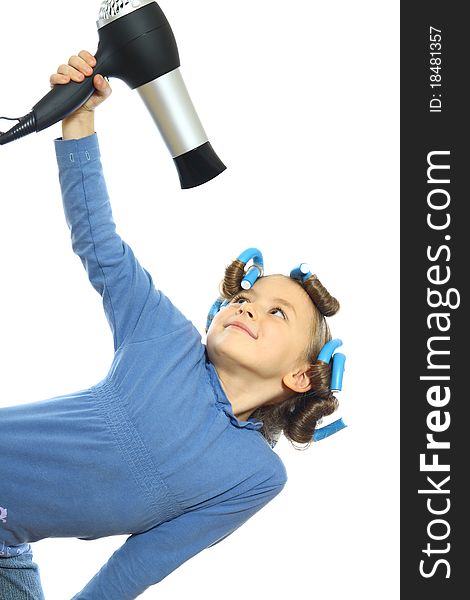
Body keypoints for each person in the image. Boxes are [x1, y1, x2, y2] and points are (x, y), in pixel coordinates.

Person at [0, 51, 343, 600]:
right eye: (248, 297)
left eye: (278, 312)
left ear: (303, 376)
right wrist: (80, 118)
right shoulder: (164, 337)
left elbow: (140, 564)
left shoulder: (254, 476)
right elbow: (101, 245)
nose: (249, 306)